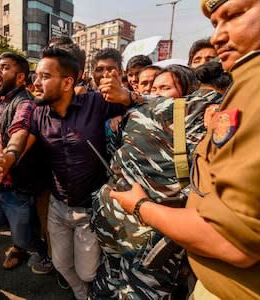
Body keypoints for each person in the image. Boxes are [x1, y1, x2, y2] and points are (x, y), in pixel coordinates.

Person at [107, 0, 260, 298]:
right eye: (216, 23)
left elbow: (232, 241)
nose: (218, 36)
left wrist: (140, 206)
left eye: (235, 15)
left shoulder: (236, 97)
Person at [0, 47, 127, 300]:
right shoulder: (38, 113)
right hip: (58, 208)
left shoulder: (95, 103)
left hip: (90, 210)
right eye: (35, 76)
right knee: (61, 265)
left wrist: (125, 96)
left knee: (87, 271)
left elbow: (140, 107)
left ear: (67, 82)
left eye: (44, 76)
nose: (35, 82)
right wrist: (6, 160)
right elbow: (20, 138)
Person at [0, 52, 49, 300]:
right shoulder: (1, 102)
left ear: (21, 76)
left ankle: (44, 252)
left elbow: (18, 132)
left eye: (4, 67)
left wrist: (8, 157)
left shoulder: (25, 104)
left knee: (23, 239)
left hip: (16, 190)